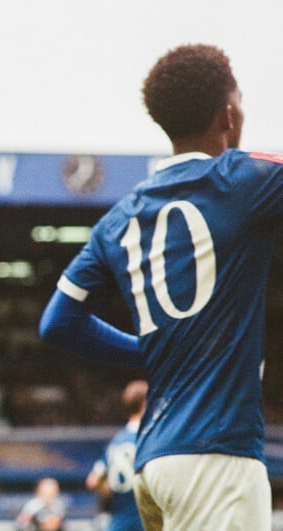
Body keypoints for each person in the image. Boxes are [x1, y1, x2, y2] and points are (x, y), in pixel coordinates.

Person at [38, 43, 276, 530]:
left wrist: (149, 350)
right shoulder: (243, 181)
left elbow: (58, 323)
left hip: (155, 460)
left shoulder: (118, 219)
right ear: (230, 116)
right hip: (216, 457)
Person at [85, 380, 147, 531]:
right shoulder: (147, 438)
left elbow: (92, 481)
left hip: (119, 522)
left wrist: (111, 489)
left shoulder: (117, 441)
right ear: (145, 404)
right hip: (143, 521)